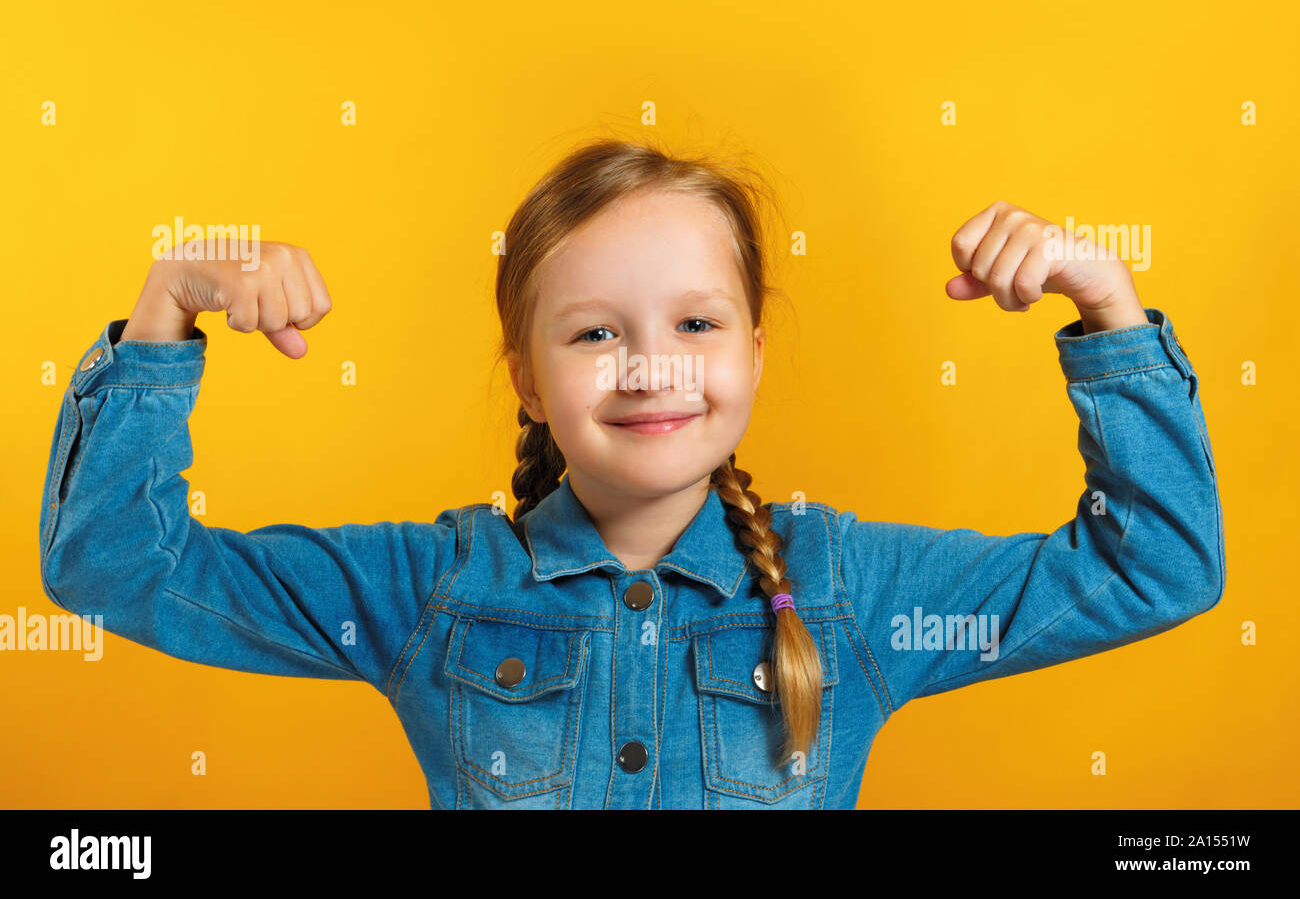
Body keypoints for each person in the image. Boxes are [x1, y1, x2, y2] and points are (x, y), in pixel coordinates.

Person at [39, 137, 1225, 809]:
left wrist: (1107, 309)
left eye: (698, 325)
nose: (653, 366)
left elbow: (1159, 568)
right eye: (597, 332)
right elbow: (115, 567)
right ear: (526, 373)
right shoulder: (432, 587)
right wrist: (163, 317)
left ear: (755, 348)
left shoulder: (849, 589)